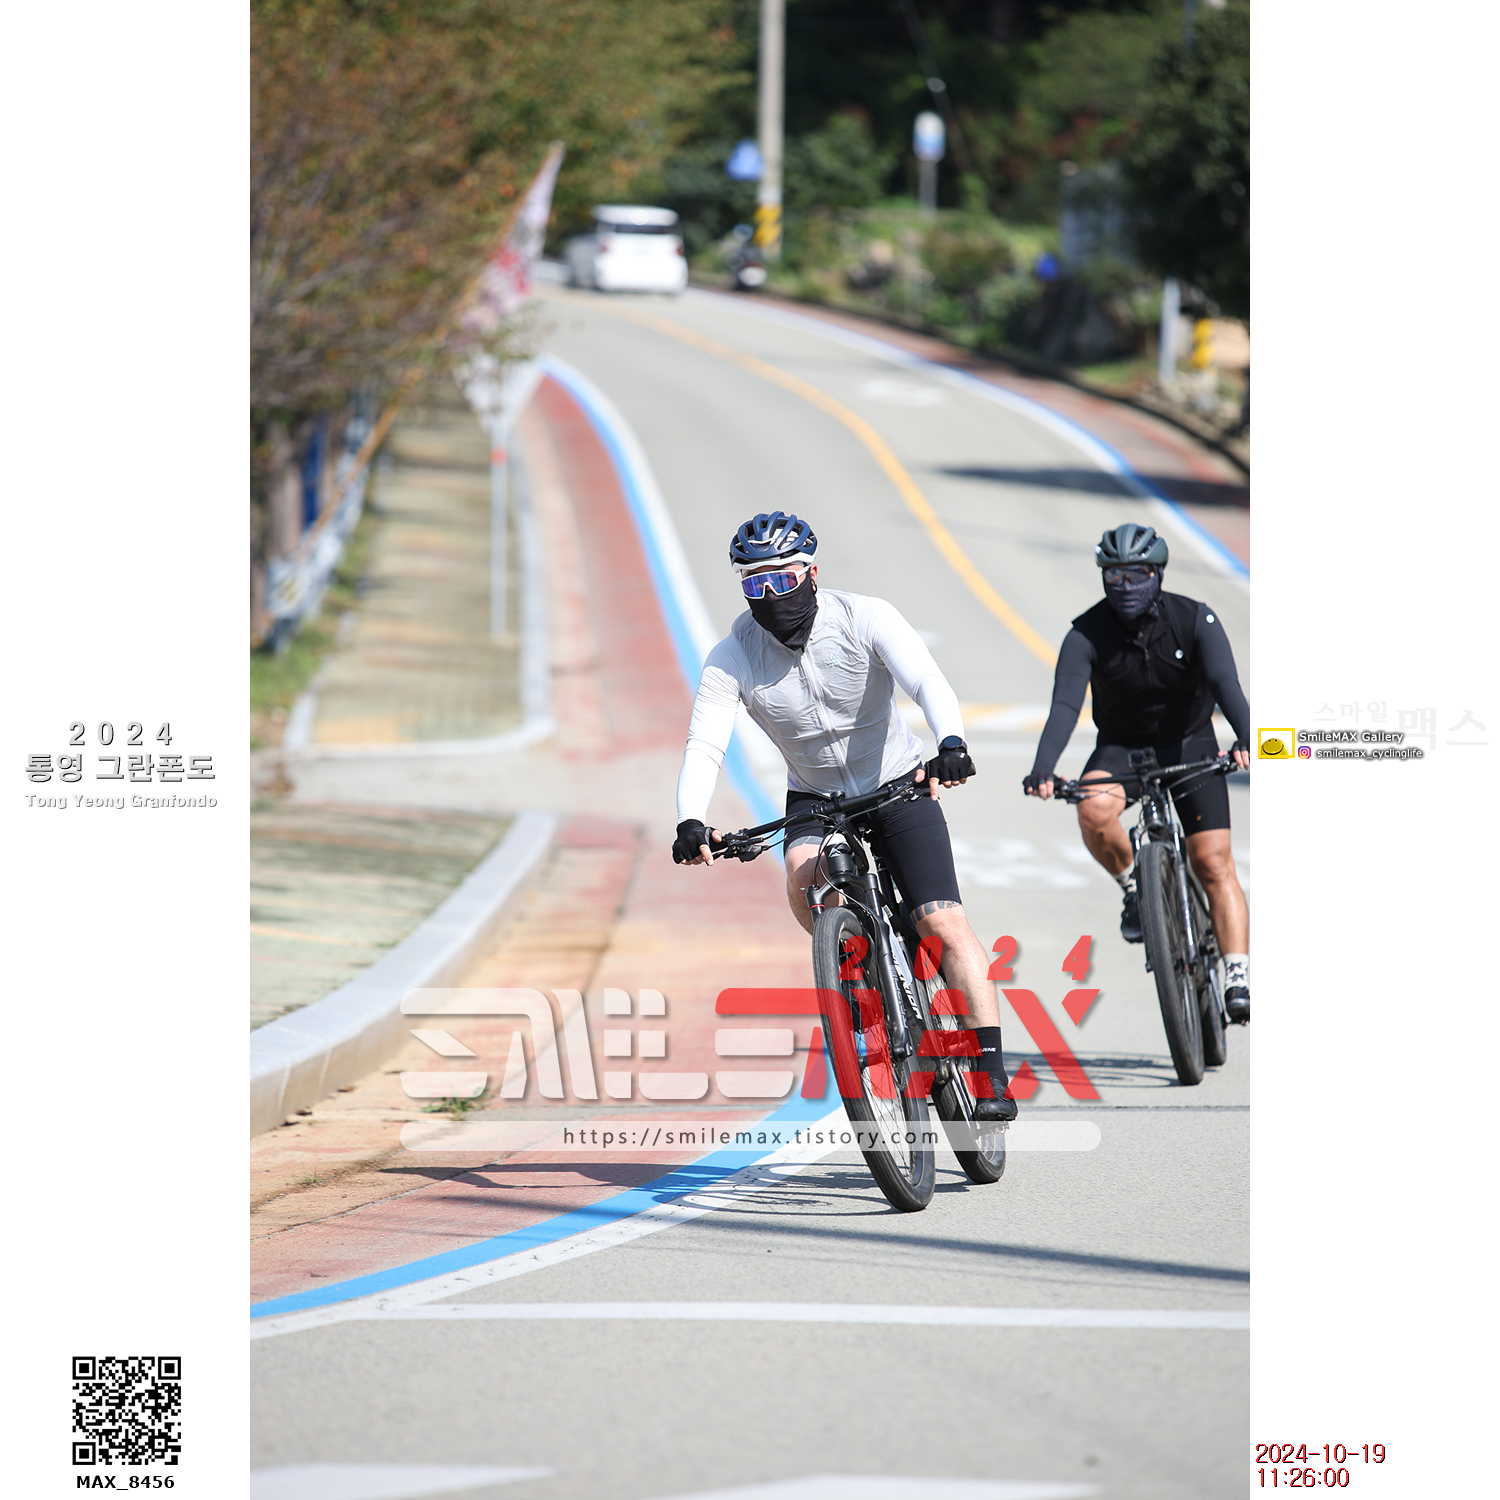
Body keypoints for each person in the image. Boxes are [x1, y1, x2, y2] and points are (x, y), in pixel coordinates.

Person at [672, 511, 1017, 1121]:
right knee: (803, 879)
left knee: (942, 923)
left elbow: (925, 679)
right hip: (815, 796)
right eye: (754, 584)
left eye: (781, 579)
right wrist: (690, 819)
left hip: (898, 782)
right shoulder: (732, 657)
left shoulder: (864, 616)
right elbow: (705, 744)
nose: (769, 595)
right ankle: (857, 981)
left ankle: (989, 1072)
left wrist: (951, 742)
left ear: (810, 572)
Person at [1023, 523, 1252, 1023]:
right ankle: (1135, 889)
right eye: (1114, 575)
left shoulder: (1195, 618)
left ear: (1158, 574)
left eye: (1137, 574)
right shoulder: (1084, 634)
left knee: (1212, 862)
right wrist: (1044, 767)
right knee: (1092, 809)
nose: (1125, 586)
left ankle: (1237, 972)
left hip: (1190, 743)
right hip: (1122, 749)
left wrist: (1246, 737)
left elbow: (1226, 685)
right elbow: (1064, 707)